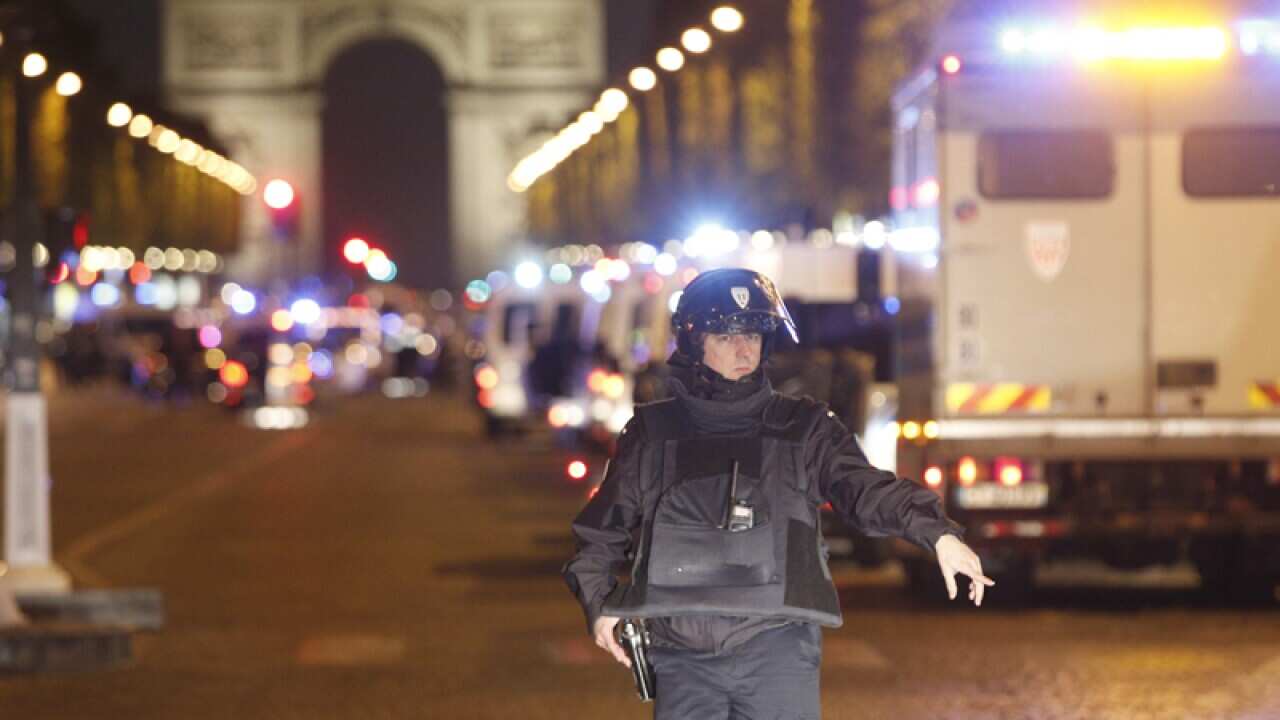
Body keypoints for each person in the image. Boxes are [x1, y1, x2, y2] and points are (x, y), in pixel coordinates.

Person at [563, 267, 993, 719]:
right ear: (694, 343)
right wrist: (599, 605)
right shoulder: (653, 434)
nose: (743, 348)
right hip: (683, 656)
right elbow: (598, 532)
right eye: (726, 336)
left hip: (776, 650)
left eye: (751, 334)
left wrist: (937, 532)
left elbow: (863, 488)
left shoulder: (804, 428)